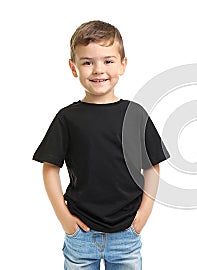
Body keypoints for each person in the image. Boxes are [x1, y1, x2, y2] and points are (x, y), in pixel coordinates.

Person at [33, 20, 169, 269]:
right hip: (80, 235)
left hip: (127, 234)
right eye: (87, 62)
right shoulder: (67, 118)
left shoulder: (135, 114)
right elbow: (49, 167)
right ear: (73, 68)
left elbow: (152, 166)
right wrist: (65, 219)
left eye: (108, 61)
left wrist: (143, 215)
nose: (98, 70)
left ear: (123, 64)